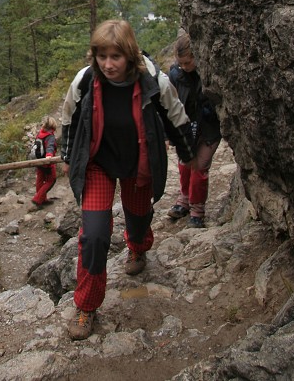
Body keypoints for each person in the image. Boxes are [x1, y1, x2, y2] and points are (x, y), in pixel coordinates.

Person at [61, 19, 196, 341]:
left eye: (116, 57)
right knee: (93, 235)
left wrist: (187, 151)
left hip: (139, 163)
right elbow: (69, 118)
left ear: (130, 55)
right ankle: (86, 306)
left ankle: (138, 247)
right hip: (98, 165)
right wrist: (69, 157)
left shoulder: (152, 80)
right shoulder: (85, 81)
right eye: (102, 56)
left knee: (138, 217)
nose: (108, 65)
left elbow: (175, 115)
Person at [167, 32, 221, 228]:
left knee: (200, 167)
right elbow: (169, 104)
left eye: (188, 63)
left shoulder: (209, 74)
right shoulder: (175, 75)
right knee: (184, 163)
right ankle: (184, 199)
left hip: (209, 128)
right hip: (187, 126)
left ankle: (197, 209)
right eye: (181, 64)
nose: (184, 67)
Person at [30, 115, 58, 209]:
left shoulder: (40, 134)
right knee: (51, 179)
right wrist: (49, 156)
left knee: (40, 179)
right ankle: (38, 199)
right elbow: (50, 147)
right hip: (47, 162)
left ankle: (43, 198)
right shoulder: (50, 136)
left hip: (38, 160)